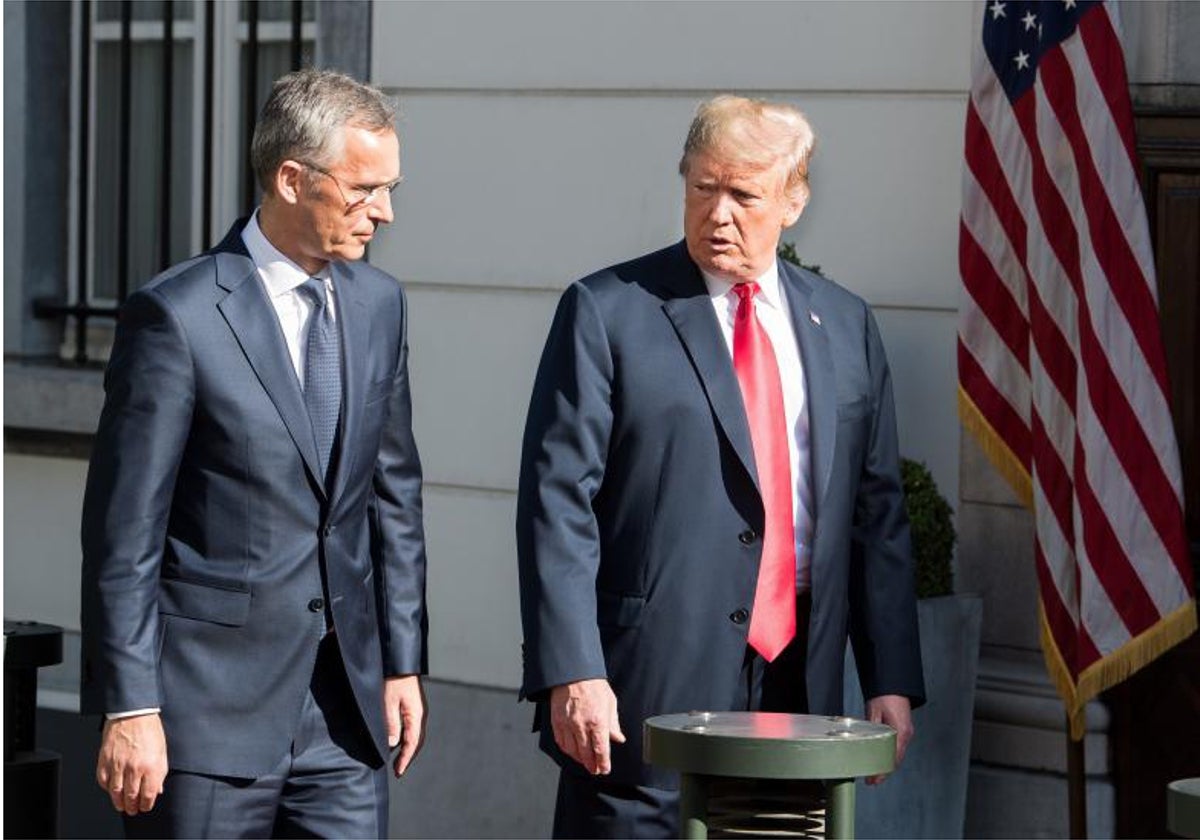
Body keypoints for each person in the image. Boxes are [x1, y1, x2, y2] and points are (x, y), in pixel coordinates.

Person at [516, 94, 926, 838]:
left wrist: (891, 677)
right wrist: (574, 669)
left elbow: (877, 513)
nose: (719, 213)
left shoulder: (842, 323)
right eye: (702, 188)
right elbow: (556, 505)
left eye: (744, 194)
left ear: (793, 202)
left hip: (800, 677)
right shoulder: (608, 311)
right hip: (645, 684)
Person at [80, 68, 428, 839]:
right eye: (365, 189)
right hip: (205, 719)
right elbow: (124, 533)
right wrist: (131, 705)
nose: (386, 212)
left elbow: (393, 494)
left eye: (390, 187)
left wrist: (403, 660)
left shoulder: (380, 305)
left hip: (346, 716)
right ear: (292, 179)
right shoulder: (176, 317)